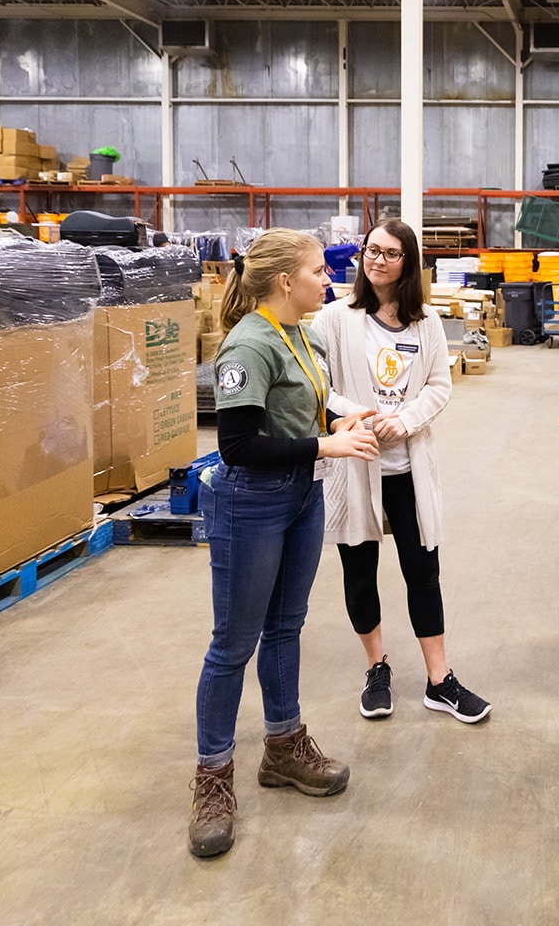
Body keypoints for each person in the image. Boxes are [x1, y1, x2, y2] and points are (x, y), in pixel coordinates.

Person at [188, 228, 380, 859]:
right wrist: (328, 445)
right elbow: (237, 446)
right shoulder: (247, 345)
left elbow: (307, 407)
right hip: (251, 501)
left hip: (301, 495)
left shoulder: (305, 333)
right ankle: (213, 777)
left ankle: (282, 747)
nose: (328, 280)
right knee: (233, 644)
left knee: (287, 626)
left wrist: (340, 419)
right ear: (282, 283)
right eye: (319, 271)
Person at [310, 218, 491, 725]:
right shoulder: (336, 319)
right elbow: (318, 384)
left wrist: (405, 420)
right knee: (359, 572)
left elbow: (438, 385)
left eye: (390, 253)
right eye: (371, 250)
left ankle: (440, 681)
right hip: (355, 464)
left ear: (408, 263)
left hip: (408, 466)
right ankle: (377, 667)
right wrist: (358, 416)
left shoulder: (426, 322)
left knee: (422, 570)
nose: (377, 260)